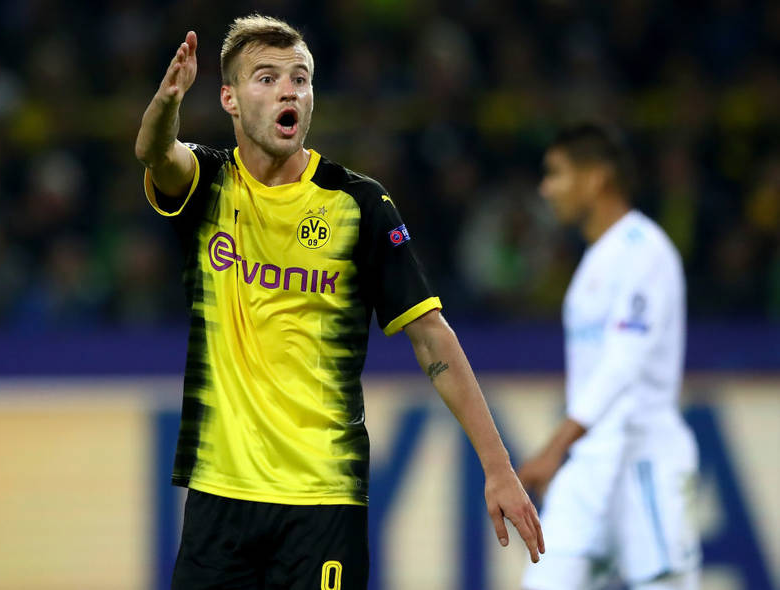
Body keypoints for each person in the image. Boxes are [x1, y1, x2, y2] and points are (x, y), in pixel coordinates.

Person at [134, 15, 543, 589]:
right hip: (219, 497)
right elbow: (155, 153)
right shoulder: (209, 183)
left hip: (324, 502)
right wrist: (167, 102)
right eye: (267, 78)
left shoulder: (359, 204)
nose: (288, 92)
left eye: (300, 79)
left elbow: (432, 338)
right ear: (229, 98)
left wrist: (498, 467)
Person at [519, 123, 702, 590]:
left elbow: (624, 362)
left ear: (596, 177)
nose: (546, 189)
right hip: (590, 463)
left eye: (556, 174)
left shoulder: (645, 251)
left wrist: (553, 448)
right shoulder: (595, 259)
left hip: (644, 457)